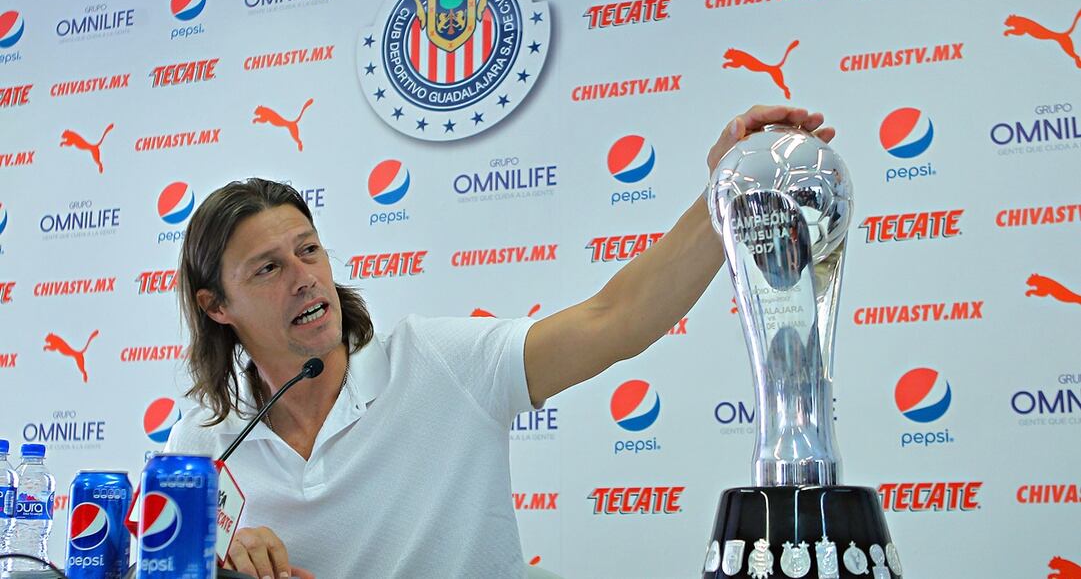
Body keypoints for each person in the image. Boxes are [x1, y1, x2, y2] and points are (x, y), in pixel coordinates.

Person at [165, 105, 836, 578]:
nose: (305, 278)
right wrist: (222, 561)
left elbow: (617, 319)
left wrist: (724, 190)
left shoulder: (436, 363)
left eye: (309, 250)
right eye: (269, 268)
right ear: (216, 306)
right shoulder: (201, 445)